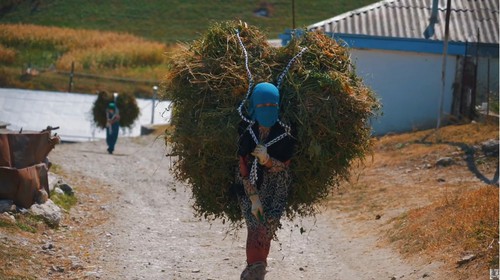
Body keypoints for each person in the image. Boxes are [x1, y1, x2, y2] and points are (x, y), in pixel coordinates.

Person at [236, 82, 296, 280]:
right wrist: (253, 198)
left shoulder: (285, 132)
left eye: (272, 106)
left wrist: (268, 161)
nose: (268, 110)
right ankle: (254, 269)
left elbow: (285, 165)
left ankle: (258, 268)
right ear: (254, 106)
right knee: (255, 226)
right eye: (263, 106)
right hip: (250, 187)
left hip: (277, 187)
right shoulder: (246, 131)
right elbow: (243, 168)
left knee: (267, 227)